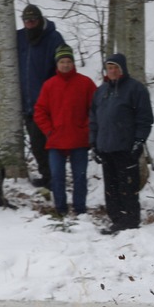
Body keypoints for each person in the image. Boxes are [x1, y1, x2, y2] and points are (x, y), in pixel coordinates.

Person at [89, 54, 154, 234]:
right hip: (105, 147)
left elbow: (145, 118)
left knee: (127, 185)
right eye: (110, 67)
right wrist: (94, 143)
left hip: (126, 147)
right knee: (111, 187)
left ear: (123, 69)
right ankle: (116, 219)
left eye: (116, 67)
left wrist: (139, 141)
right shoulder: (101, 92)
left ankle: (130, 220)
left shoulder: (136, 89)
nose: (113, 71)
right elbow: (93, 119)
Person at [34, 45, 96, 216]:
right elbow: (39, 111)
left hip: (79, 139)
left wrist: (86, 129)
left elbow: (96, 109)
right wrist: (48, 131)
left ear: (73, 63)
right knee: (57, 177)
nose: (66, 65)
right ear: (57, 64)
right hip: (56, 140)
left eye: (69, 61)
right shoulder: (49, 85)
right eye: (62, 62)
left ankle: (80, 209)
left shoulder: (85, 83)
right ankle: (60, 209)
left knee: (79, 177)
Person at [16, 4, 66, 187]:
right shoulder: (19, 37)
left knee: (45, 143)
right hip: (26, 102)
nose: (30, 23)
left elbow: (63, 66)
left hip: (47, 102)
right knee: (36, 144)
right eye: (27, 20)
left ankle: (53, 178)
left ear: (40, 20)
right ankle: (48, 176)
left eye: (33, 20)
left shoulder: (53, 38)